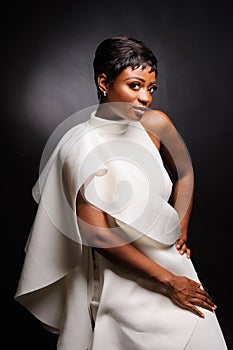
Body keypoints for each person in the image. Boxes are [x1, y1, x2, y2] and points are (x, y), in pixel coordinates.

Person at [15, 36, 228, 349]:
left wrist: (180, 229)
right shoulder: (80, 146)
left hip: (175, 267)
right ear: (104, 82)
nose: (145, 98)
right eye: (135, 85)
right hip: (125, 282)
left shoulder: (156, 125)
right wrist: (169, 282)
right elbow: (98, 235)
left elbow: (185, 172)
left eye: (150, 88)